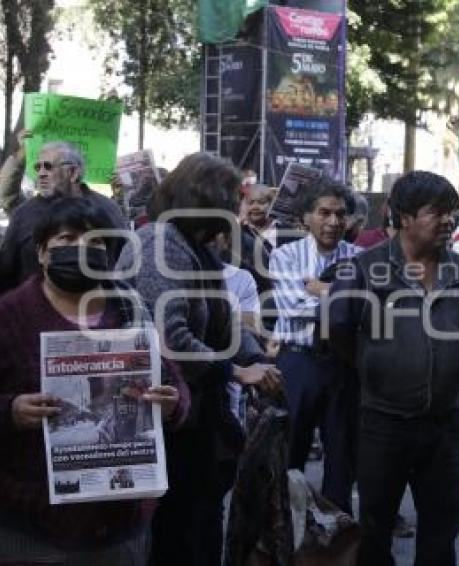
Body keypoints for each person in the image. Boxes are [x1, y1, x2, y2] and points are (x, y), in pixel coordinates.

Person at [0, 196, 189, 564]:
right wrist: (9, 410)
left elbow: (174, 385)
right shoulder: (6, 317)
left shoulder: (129, 309)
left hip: (119, 532)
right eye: (67, 239)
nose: (81, 249)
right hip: (27, 535)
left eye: (96, 241)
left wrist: (172, 404)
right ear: (42, 252)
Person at [115, 152, 281, 566]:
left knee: (200, 526)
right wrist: (236, 370)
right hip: (165, 419)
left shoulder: (193, 247)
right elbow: (169, 338)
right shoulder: (160, 242)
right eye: (231, 196)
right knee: (176, 536)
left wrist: (258, 357)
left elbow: (222, 323)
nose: (237, 206)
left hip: (196, 420)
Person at [329, 170, 459, 565]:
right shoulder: (362, 269)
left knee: (442, 529)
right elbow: (337, 331)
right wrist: (377, 367)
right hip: (382, 422)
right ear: (404, 217)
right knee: (375, 528)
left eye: (452, 212)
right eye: (437, 212)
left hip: (446, 425)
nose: (448, 221)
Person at [269, 177, 360, 513]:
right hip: (298, 363)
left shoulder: (361, 258)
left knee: (341, 457)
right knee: (289, 454)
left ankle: (337, 541)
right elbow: (294, 307)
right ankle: (283, 533)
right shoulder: (285, 256)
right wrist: (343, 298)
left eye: (340, 214)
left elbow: (364, 310)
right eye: (324, 213)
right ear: (306, 217)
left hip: (344, 364)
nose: (334, 222)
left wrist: (321, 289)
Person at [0, 141, 128, 294]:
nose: (41, 173)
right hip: (34, 311)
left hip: (93, 307)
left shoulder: (107, 209)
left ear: (73, 172)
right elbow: (5, 272)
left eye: (48, 166)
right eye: (37, 167)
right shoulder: (24, 213)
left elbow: (124, 261)